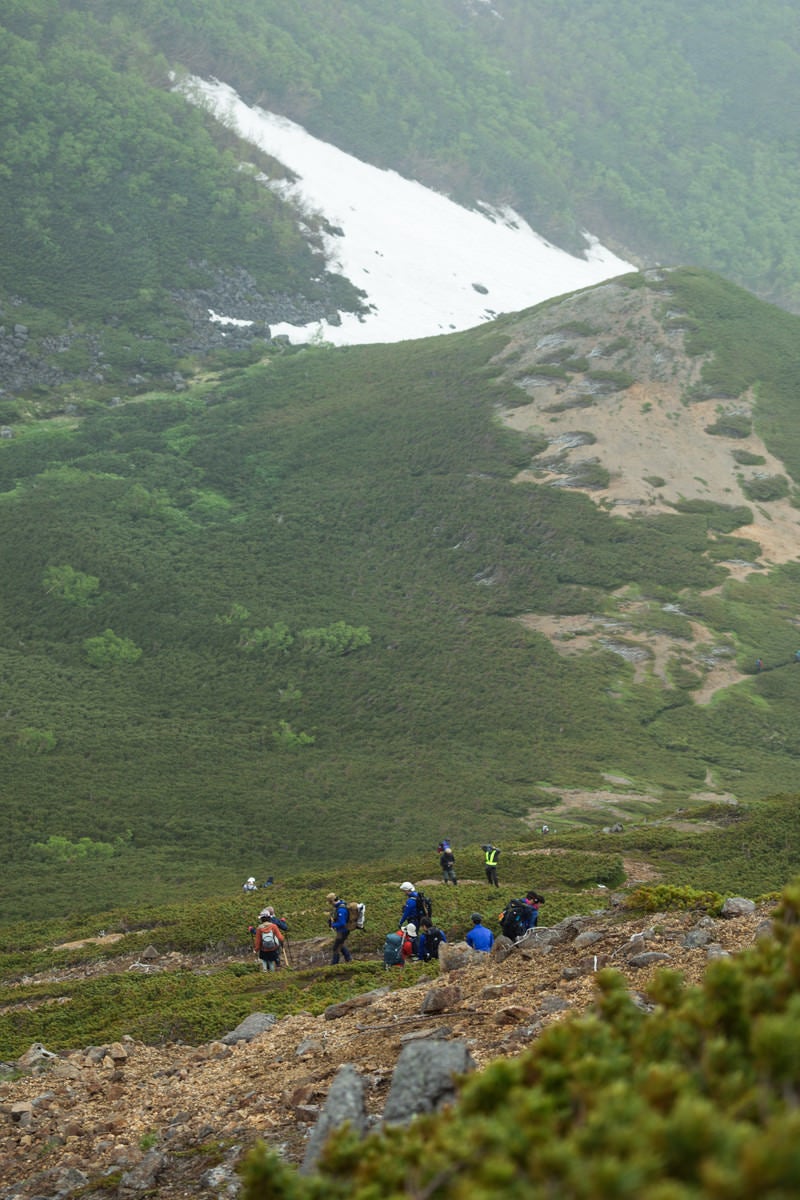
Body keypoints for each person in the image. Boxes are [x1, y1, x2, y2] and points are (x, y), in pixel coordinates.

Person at [326, 892, 353, 965]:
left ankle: (334, 964)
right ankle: (349, 960)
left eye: (330, 903)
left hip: (343, 931)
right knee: (341, 945)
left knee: (336, 948)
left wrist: (333, 925)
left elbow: (342, 923)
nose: (331, 905)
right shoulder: (340, 906)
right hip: (342, 930)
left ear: (333, 901)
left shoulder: (341, 910)